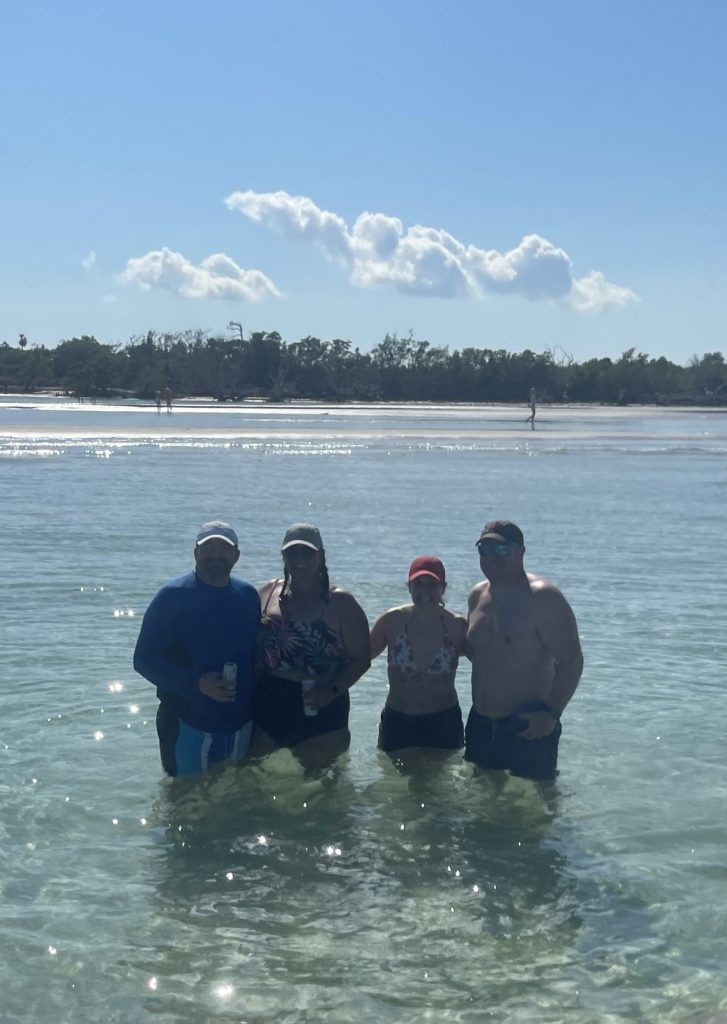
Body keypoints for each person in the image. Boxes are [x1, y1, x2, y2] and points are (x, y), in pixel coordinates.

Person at [133, 521, 260, 776]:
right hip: (187, 722)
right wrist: (197, 683)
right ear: (195, 553)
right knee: (184, 796)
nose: (216, 555)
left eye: (224, 548)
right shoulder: (172, 596)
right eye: (208, 547)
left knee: (233, 792)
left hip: (240, 723)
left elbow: (256, 656)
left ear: (236, 555)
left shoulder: (248, 596)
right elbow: (144, 660)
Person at [465, 520, 583, 780]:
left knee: (539, 800)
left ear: (520, 551)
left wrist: (551, 714)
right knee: (480, 796)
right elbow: (483, 654)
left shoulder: (543, 598)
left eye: (501, 549)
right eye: (485, 549)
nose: (492, 557)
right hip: (481, 721)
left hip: (528, 722)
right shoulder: (477, 595)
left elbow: (572, 661)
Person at [252, 523, 370, 767]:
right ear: (283, 556)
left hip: (321, 703)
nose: (299, 559)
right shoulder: (267, 592)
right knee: (255, 779)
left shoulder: (340, 603)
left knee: (322, 784)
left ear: (321, 556)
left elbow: (361, 659)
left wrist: (331, 692)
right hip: (269, 703)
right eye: (292, 552)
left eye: (306, 553)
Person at [370, 556, 467, 754]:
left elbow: (487, 666)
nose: (425, 591)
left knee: (443, 775)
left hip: (443, 720)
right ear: (409, 587)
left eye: (432, 584)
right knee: (392, 774)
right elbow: (359, 658)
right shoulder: (392, 621)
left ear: (443, 588)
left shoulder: (457, 626)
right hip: (398, 720)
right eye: (418, 584)